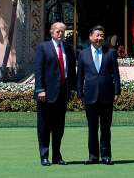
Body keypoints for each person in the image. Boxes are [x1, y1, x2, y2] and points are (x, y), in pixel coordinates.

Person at [76, 24, 121, 165]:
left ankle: (106, 156)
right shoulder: (83, 54)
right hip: (90, 96)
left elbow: (116, 75)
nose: (100, 38)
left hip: (107, 96)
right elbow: (80, 76)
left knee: (106, 128)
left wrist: (117, 91)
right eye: (97, 35)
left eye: (102, 35)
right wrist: (79, 93)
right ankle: (93, 156)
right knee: (92, 128)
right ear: (91, 37)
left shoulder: (110, 52)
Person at [33, 21, 76, 166]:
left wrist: (73, 89)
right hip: (45, 94)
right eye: (57, 31)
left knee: (59, 127)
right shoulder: (43, 48)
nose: (60, 34)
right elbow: (38, 71)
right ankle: (44, 156)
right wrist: (40, 89)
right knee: (44, 126)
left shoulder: (69, 49)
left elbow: (71, 71)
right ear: (51, 32)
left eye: (63, 31)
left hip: (62, 94)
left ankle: (57, 155)